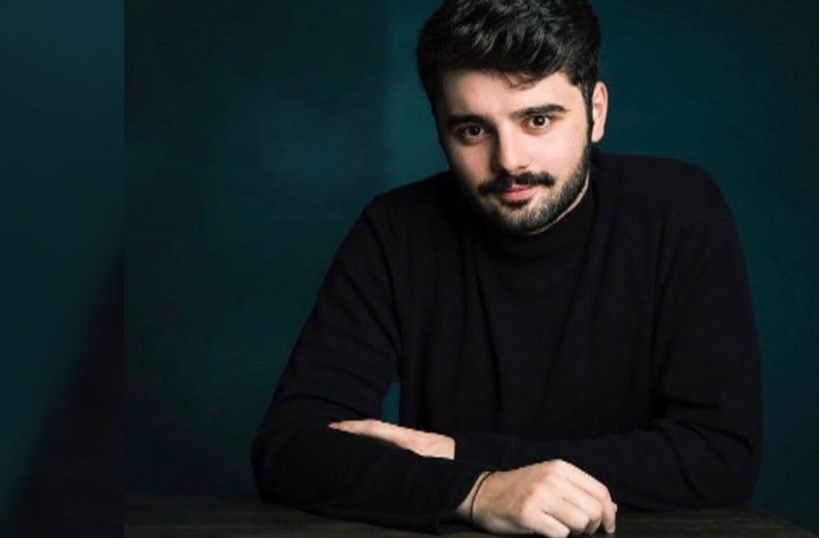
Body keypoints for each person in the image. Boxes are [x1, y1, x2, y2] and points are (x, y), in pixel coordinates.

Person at [252, 0, 761, 536]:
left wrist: (461, 455)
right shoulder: (396, 232)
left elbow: (720, 455)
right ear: (440, 128)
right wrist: (476, 491)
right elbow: (291, 447)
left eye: (538, 120)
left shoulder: (678, 213)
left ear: (597, 112)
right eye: (473, 130)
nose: (510, 160)